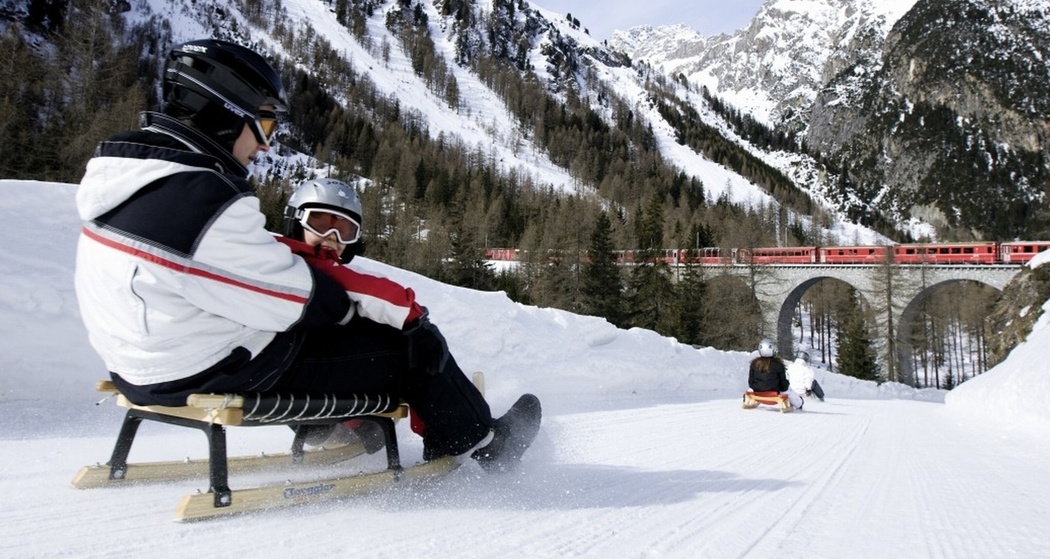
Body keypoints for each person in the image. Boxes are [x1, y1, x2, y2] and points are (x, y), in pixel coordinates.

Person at [73, 39, 540, 472]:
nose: (265, 144)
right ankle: (479, 442)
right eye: (264, 123)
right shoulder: (200, 199)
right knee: (407, 347)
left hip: (138, 364)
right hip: (198, 368)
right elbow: (298, 299)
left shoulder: (130, 179)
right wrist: (371, 312)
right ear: (227, 111)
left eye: (345, 229)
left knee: (331, 338)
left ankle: (352, 424)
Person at [747, 338, 803, 410]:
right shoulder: (778, 365)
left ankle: (747, 401)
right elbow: (783, 385)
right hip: (774, 393)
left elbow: (751, 382)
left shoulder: (754, 364)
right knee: (789, 391)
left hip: (757, 392)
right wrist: (786, 386)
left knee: (750, 389)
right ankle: (799, 403)